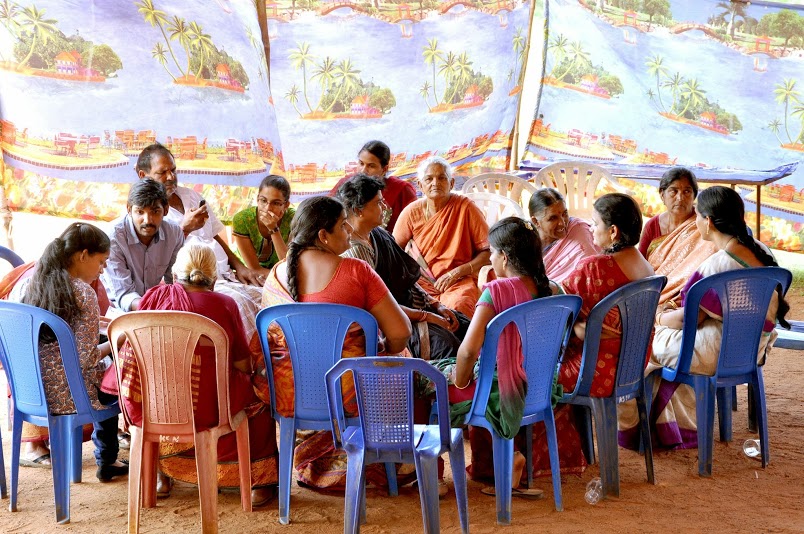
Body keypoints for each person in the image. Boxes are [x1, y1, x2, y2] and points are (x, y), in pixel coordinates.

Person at [619, 186, 790, 450]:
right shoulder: (761, 250)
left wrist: (659, 318)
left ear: (708, 221)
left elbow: (687, 320)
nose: (695, 220)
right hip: (752, 350)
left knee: (643, 343)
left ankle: (647, 431)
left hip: (717, 353)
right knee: (663, 342)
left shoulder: (716, 265)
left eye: (697, 215)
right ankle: (669, 427)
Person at [261, 195, 411, 489]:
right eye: (343, 225)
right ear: (323, 236)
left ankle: (317, 464)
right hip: (350, 395)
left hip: (290, 394)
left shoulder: (275, 275)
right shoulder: (357, 271)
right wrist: (382, 352)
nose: (350, 231)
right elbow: (400, 332)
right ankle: (392, 462)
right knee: (401, 362)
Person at [114, 244, 279, 505]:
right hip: (209, 409)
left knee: (159, 389)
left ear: (174, 275)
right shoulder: (224, 304)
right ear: (214, 278)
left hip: (156, 406)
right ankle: (259, 482)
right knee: (261, 393)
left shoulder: (153, 299)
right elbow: (242, 365)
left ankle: (163, 476)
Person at [436, 217, 586, 496]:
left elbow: (467, 352)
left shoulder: (495, 292)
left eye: (492, 252)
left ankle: (431, 475)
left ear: (504, 257)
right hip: (540, 387)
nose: (490, 259)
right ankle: (510, 456)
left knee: (427, 383)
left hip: (500, 390)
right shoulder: (555, 290)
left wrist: (460, 381)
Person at [9, 223, 127, 482]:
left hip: (28, 392)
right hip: (69, 398)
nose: (102, 269)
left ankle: (103, 457)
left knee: (96, 365)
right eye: (101, 261)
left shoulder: (27, 285)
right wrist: (117, 341)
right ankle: (108, 458)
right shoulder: (83, 293)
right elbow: (86, 359)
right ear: (83, 255)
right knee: (112, 376)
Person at [338, 174, 469, 361]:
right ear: (359, 211)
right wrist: (426, 316)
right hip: (392, 322)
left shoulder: (379, 234)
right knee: (446, 345)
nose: (385, 208)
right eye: (378, 203)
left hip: (414, 307)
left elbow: (405, 277)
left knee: (465, 326)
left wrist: (436, 305)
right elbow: (378, 308)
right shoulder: (355, 251)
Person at [558, 193, 655, 398]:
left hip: (594, 371)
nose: (591, 229)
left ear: (613, 231)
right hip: (633, 368)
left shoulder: (596, 267)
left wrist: (578, 327)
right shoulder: (647, 267)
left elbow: (560, 303)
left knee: (533, 376)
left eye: (595, 224)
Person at [135, 143, 262, 286]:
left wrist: (240, 267)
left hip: (224, 277)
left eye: (173, 170)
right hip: (193, 286)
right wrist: (184, 229)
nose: (170, 176)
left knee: (267, 294)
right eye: (162, 172)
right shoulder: (143, 215)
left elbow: (213, 236)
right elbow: (155, 263)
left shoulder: (192, 196)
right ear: (143, 175)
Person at [393, 156, 490, 318]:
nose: (435, 183)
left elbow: (487, 252)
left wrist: (457, 272)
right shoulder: (411, 212)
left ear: (451, 183)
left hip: (458, 280)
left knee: (459, 307)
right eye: (429, 179)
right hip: (421, 282)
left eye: (441, 178)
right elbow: (393, 250)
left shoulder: (465, 207)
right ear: (420, 185)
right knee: (407, 306)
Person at [638, 167, 717, 306]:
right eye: (673, 191)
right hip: (652, 293)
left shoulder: (704, 224)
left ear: (694, 196)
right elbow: (640, 265)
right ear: (662, 195)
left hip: (689, 297)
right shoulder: (653, 225)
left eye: (687, 191)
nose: (680, 198)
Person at [102, 179, 184, 311]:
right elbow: (124, 295)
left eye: (155, 212)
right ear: (129, 209)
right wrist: (157, 311)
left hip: (150, 308)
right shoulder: (113, 236)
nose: (147, 220)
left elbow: (176, 284)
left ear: (166, 210)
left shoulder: (174, 233)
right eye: (140, 212)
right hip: (115, 309)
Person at [329, 140, 417, 233]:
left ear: (384, 169)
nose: (363, 170)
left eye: (371, 166)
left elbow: (416, 223)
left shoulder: (401, 190)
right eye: (361, 163)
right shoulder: (345, 184)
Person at [528, 187, 599, 283]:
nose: (562, 223)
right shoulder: (525, 241)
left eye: (564, 214)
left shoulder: (578, 231)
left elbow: (591, 272)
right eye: (553, 218)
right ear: (536, 221)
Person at [232, 174, 295, 277]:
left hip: (281, 272)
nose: (267, 208)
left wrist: (274, 229)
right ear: (257, 199)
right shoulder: (243, 220)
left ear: (286, 205)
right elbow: (254, 268)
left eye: (276, 203)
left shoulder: (293, 220)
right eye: (263, 200)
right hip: (246, 273)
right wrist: (284, 277)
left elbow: (287, 265)